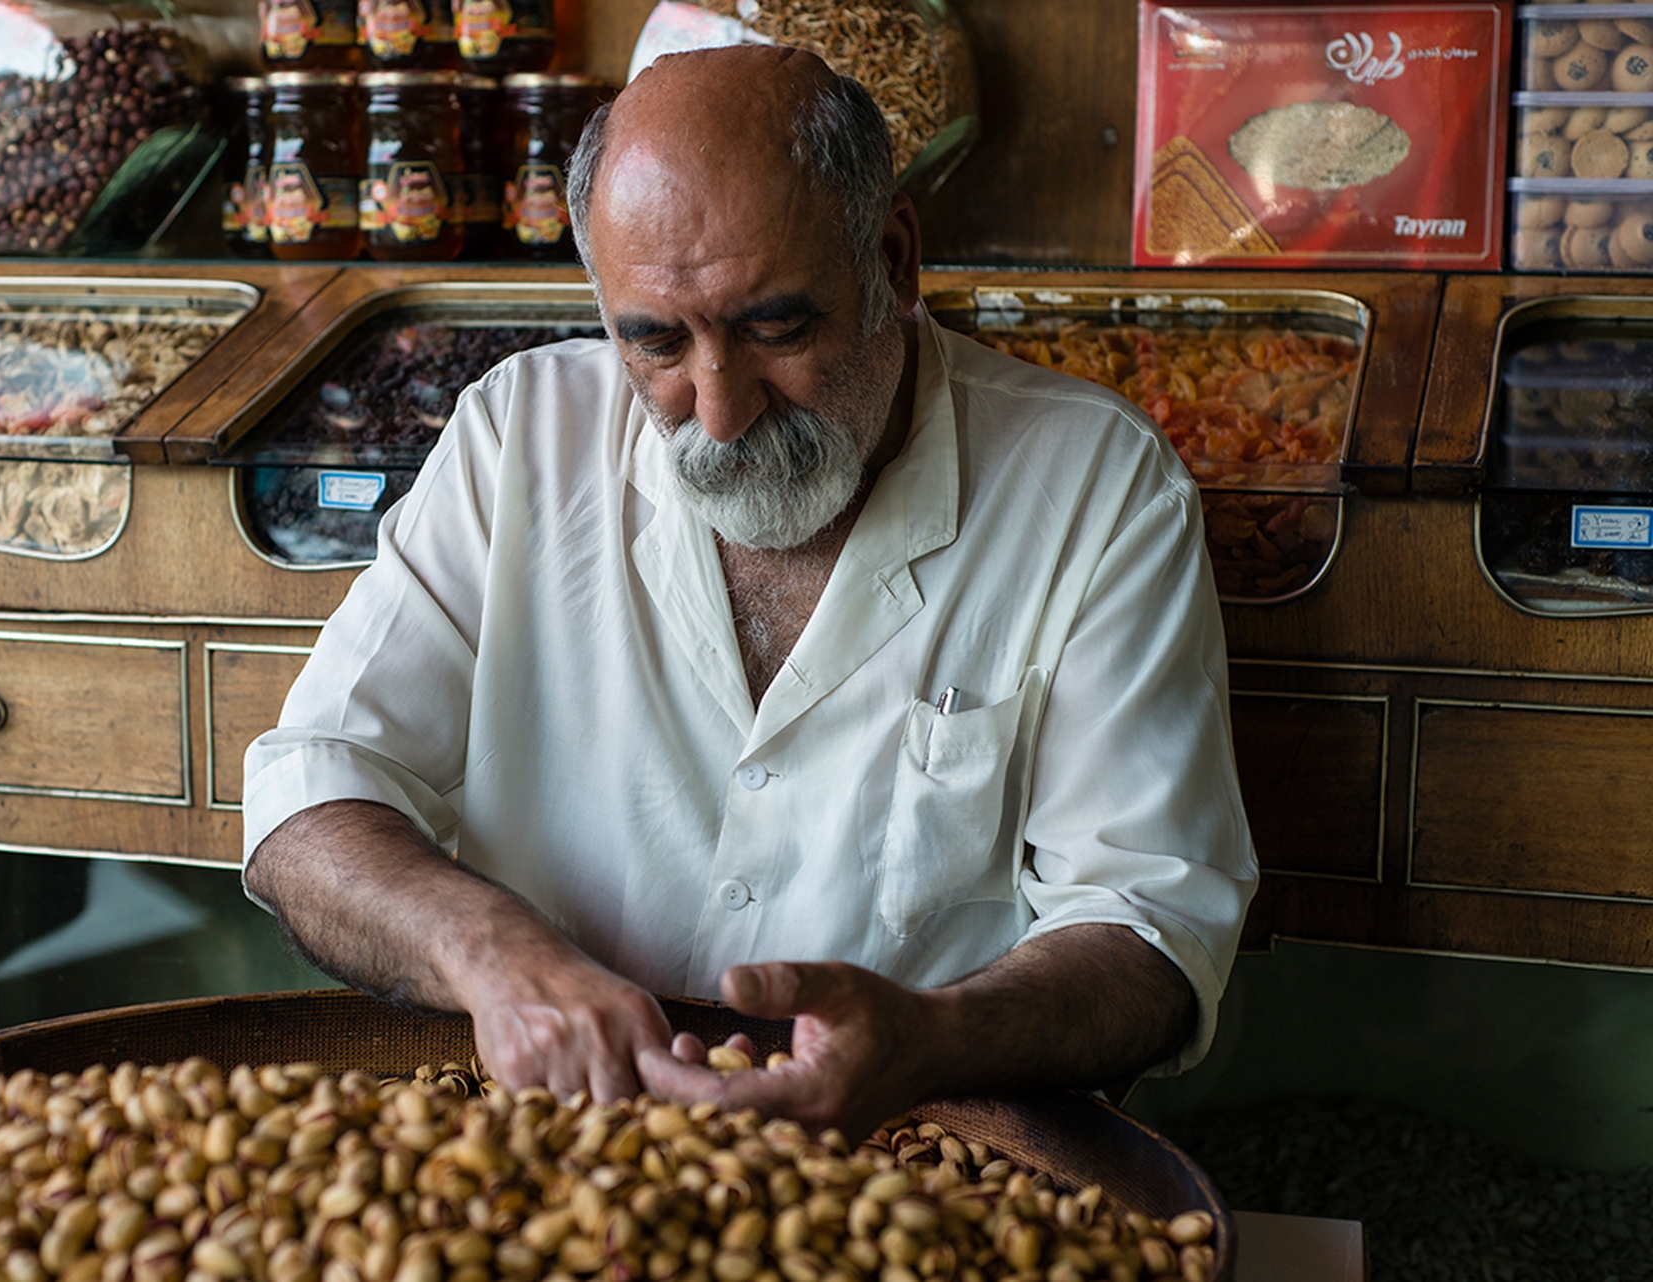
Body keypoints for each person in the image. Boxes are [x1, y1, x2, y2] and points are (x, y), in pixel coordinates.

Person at [242, 44, 1258, 1141]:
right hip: (547, 1156)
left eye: (776, 327)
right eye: (656, 342)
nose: (719, 411)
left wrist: (933, 1037)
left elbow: (1149, 926)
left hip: (901, 1167)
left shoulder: (1096, 488)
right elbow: (312, 803)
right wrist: (488, 952)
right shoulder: (519, 435)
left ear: (895, 261)